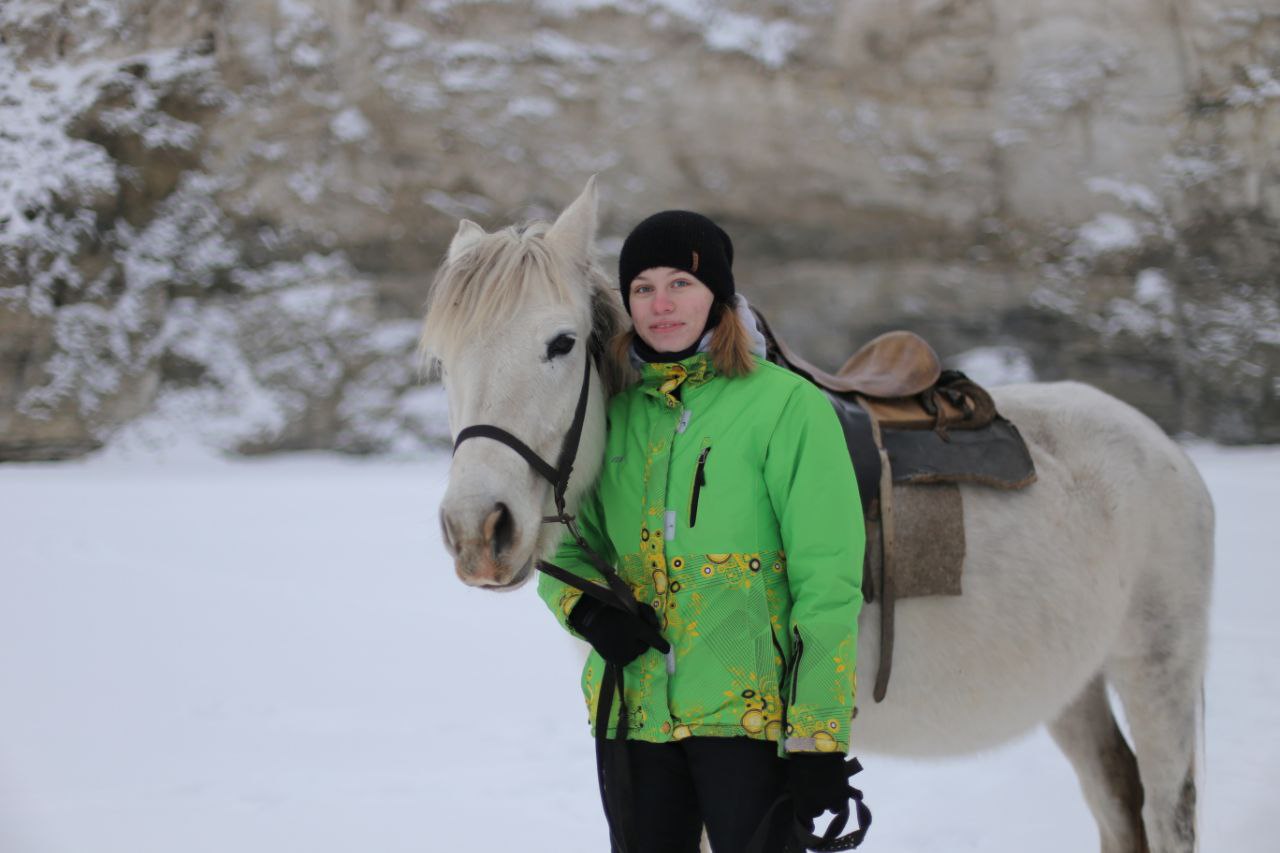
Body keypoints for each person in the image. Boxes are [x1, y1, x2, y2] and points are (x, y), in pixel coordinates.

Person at [537, 210, 865, 853]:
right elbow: (562, 534)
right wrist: (588, 612)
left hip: (750, 723)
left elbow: (827, 582)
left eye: (680, 284)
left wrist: (817, 738)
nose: (660, 305)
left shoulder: (786, 406)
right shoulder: (608, 411)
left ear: (717, 294)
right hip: (632, 717)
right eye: (642, 288)